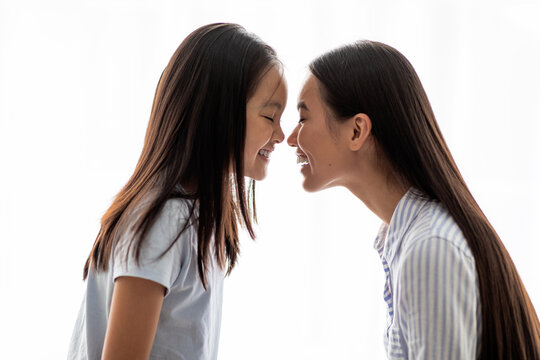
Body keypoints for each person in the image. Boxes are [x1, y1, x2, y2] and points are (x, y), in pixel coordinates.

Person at [287, 40, 540, 359]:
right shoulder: (407, 237)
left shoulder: (429, 247)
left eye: (303, 118)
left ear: (357, 131)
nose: (291, 138)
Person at [68, 23, 287, 360]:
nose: (281, 134)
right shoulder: (165, 221)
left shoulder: (195, 217)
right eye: (270, 117)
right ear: (219, 115)